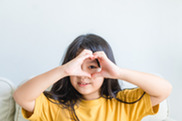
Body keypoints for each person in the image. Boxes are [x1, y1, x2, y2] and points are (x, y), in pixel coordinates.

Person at [13, 34, 172, 121]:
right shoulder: (53, 105)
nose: (83, 76)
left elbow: (164, 90)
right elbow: (21, 97)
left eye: (91, 67)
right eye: (77, 68)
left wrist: (119, 72)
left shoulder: (125, 103)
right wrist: (64, 71)